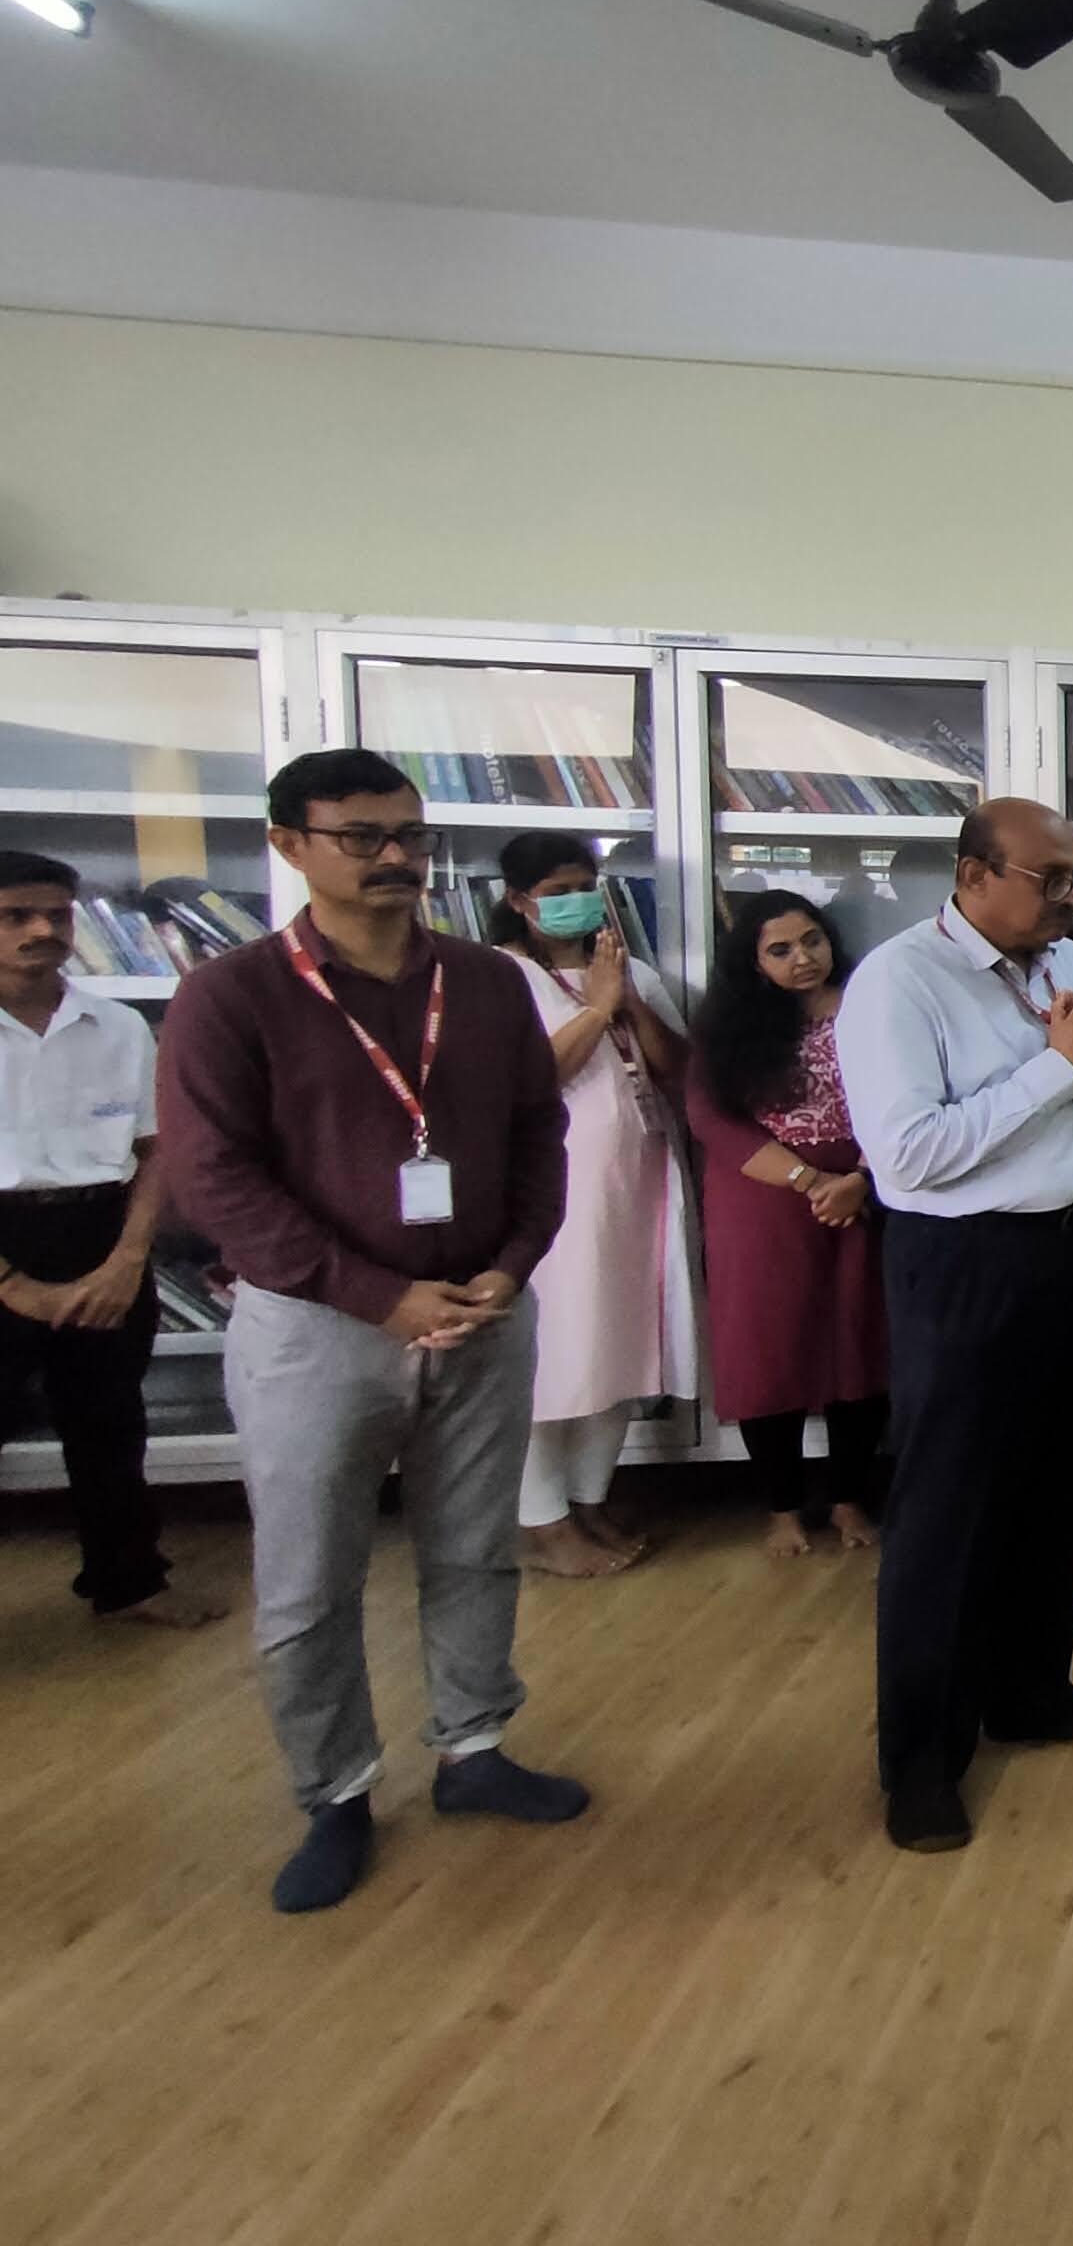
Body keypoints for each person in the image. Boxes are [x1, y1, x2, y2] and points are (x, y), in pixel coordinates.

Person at [158, 749, 589, 1914]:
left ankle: (474, 1749)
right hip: (319, 1327)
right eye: (364, 836)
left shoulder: (488, 984)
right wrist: (376, 1295)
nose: (398, 857)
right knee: (308, 1576)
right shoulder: (232, 995)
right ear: (291, 844)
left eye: (410, 834)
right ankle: (335, 1792)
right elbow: (216, 1181)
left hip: (482, 1315)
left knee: (472, 1545)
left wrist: (509, 1265)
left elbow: (538, 1139)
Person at [837, 797, 1073, 1855]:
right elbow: (910, 1156)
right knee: (949, 1513)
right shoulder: (897, 983)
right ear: (974, 875)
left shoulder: (1067, 967)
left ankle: (1033, 1694)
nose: (1070, 898)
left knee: (1061, 1491)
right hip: (969, 1265)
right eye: (1051, 879)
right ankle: (921, 1760)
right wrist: (1061, 1072)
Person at [0, 850, 222, 1630]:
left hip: (102, 1230)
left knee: (108, 1424)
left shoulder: (119, 1026)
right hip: (3, 1240)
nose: (42, 931)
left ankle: (129, 1583)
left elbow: (155, 1148)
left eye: (56, 916)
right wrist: (13, 1286)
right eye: (16, 916)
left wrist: (129, 1259)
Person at [489, 831, 697, 1578]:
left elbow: (677, 1068)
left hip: (641, 1180)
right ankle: (539, 1520)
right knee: (561, 1350)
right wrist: (594, 1008)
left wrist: (629, 1003)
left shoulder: (626, 968)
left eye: (587, 883)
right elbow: (526, 1081)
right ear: (518, 901)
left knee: (624, 1341)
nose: (577, 900)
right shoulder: (501, 977)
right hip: (559, 1196)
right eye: (556, 890)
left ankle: (588, 1498)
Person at [687, 890, 887, 1559]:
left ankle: (849, 1497)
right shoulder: (727, 1027)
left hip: (865, 1191)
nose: (803, 958)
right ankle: (781, 1507)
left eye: (813, 941)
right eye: (781, 949)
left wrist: (859, 1178)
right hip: (763, 1201)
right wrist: (809, 1181)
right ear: (752, 962)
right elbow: (713, 1121)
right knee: (767, 1350)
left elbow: (905, 1095)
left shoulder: (871, 1008)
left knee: (861, 1344)